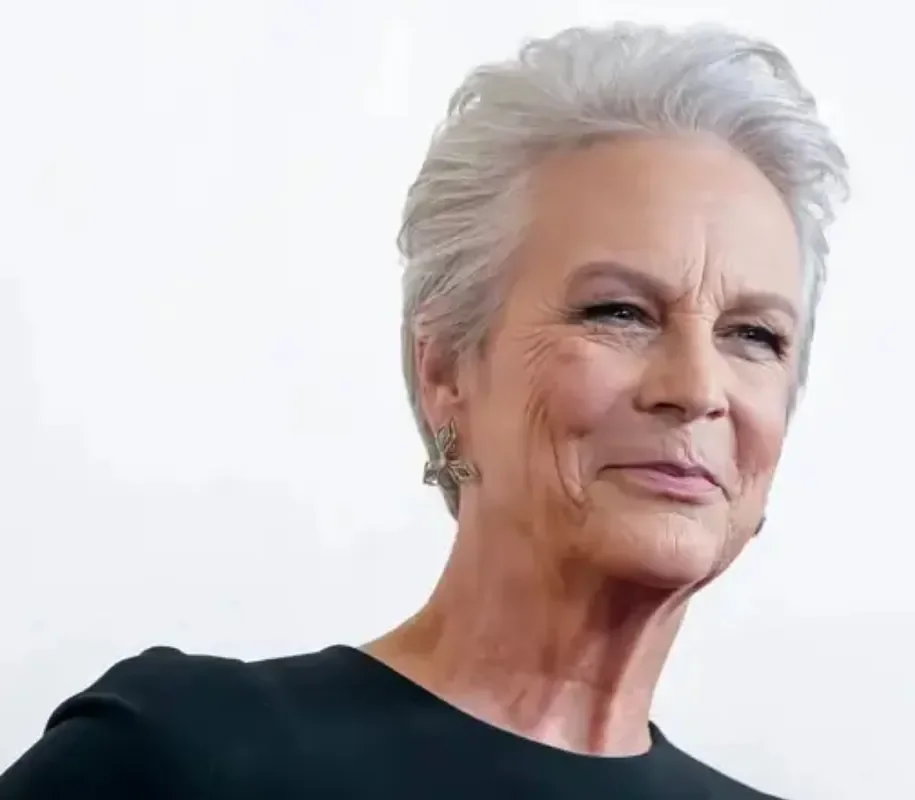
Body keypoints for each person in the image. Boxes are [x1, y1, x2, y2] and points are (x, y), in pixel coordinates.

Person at [0, 21, 847, 800]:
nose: (696, 388)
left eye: (754, 336)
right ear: (445, 369)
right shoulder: (177, 760)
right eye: (618, 312)